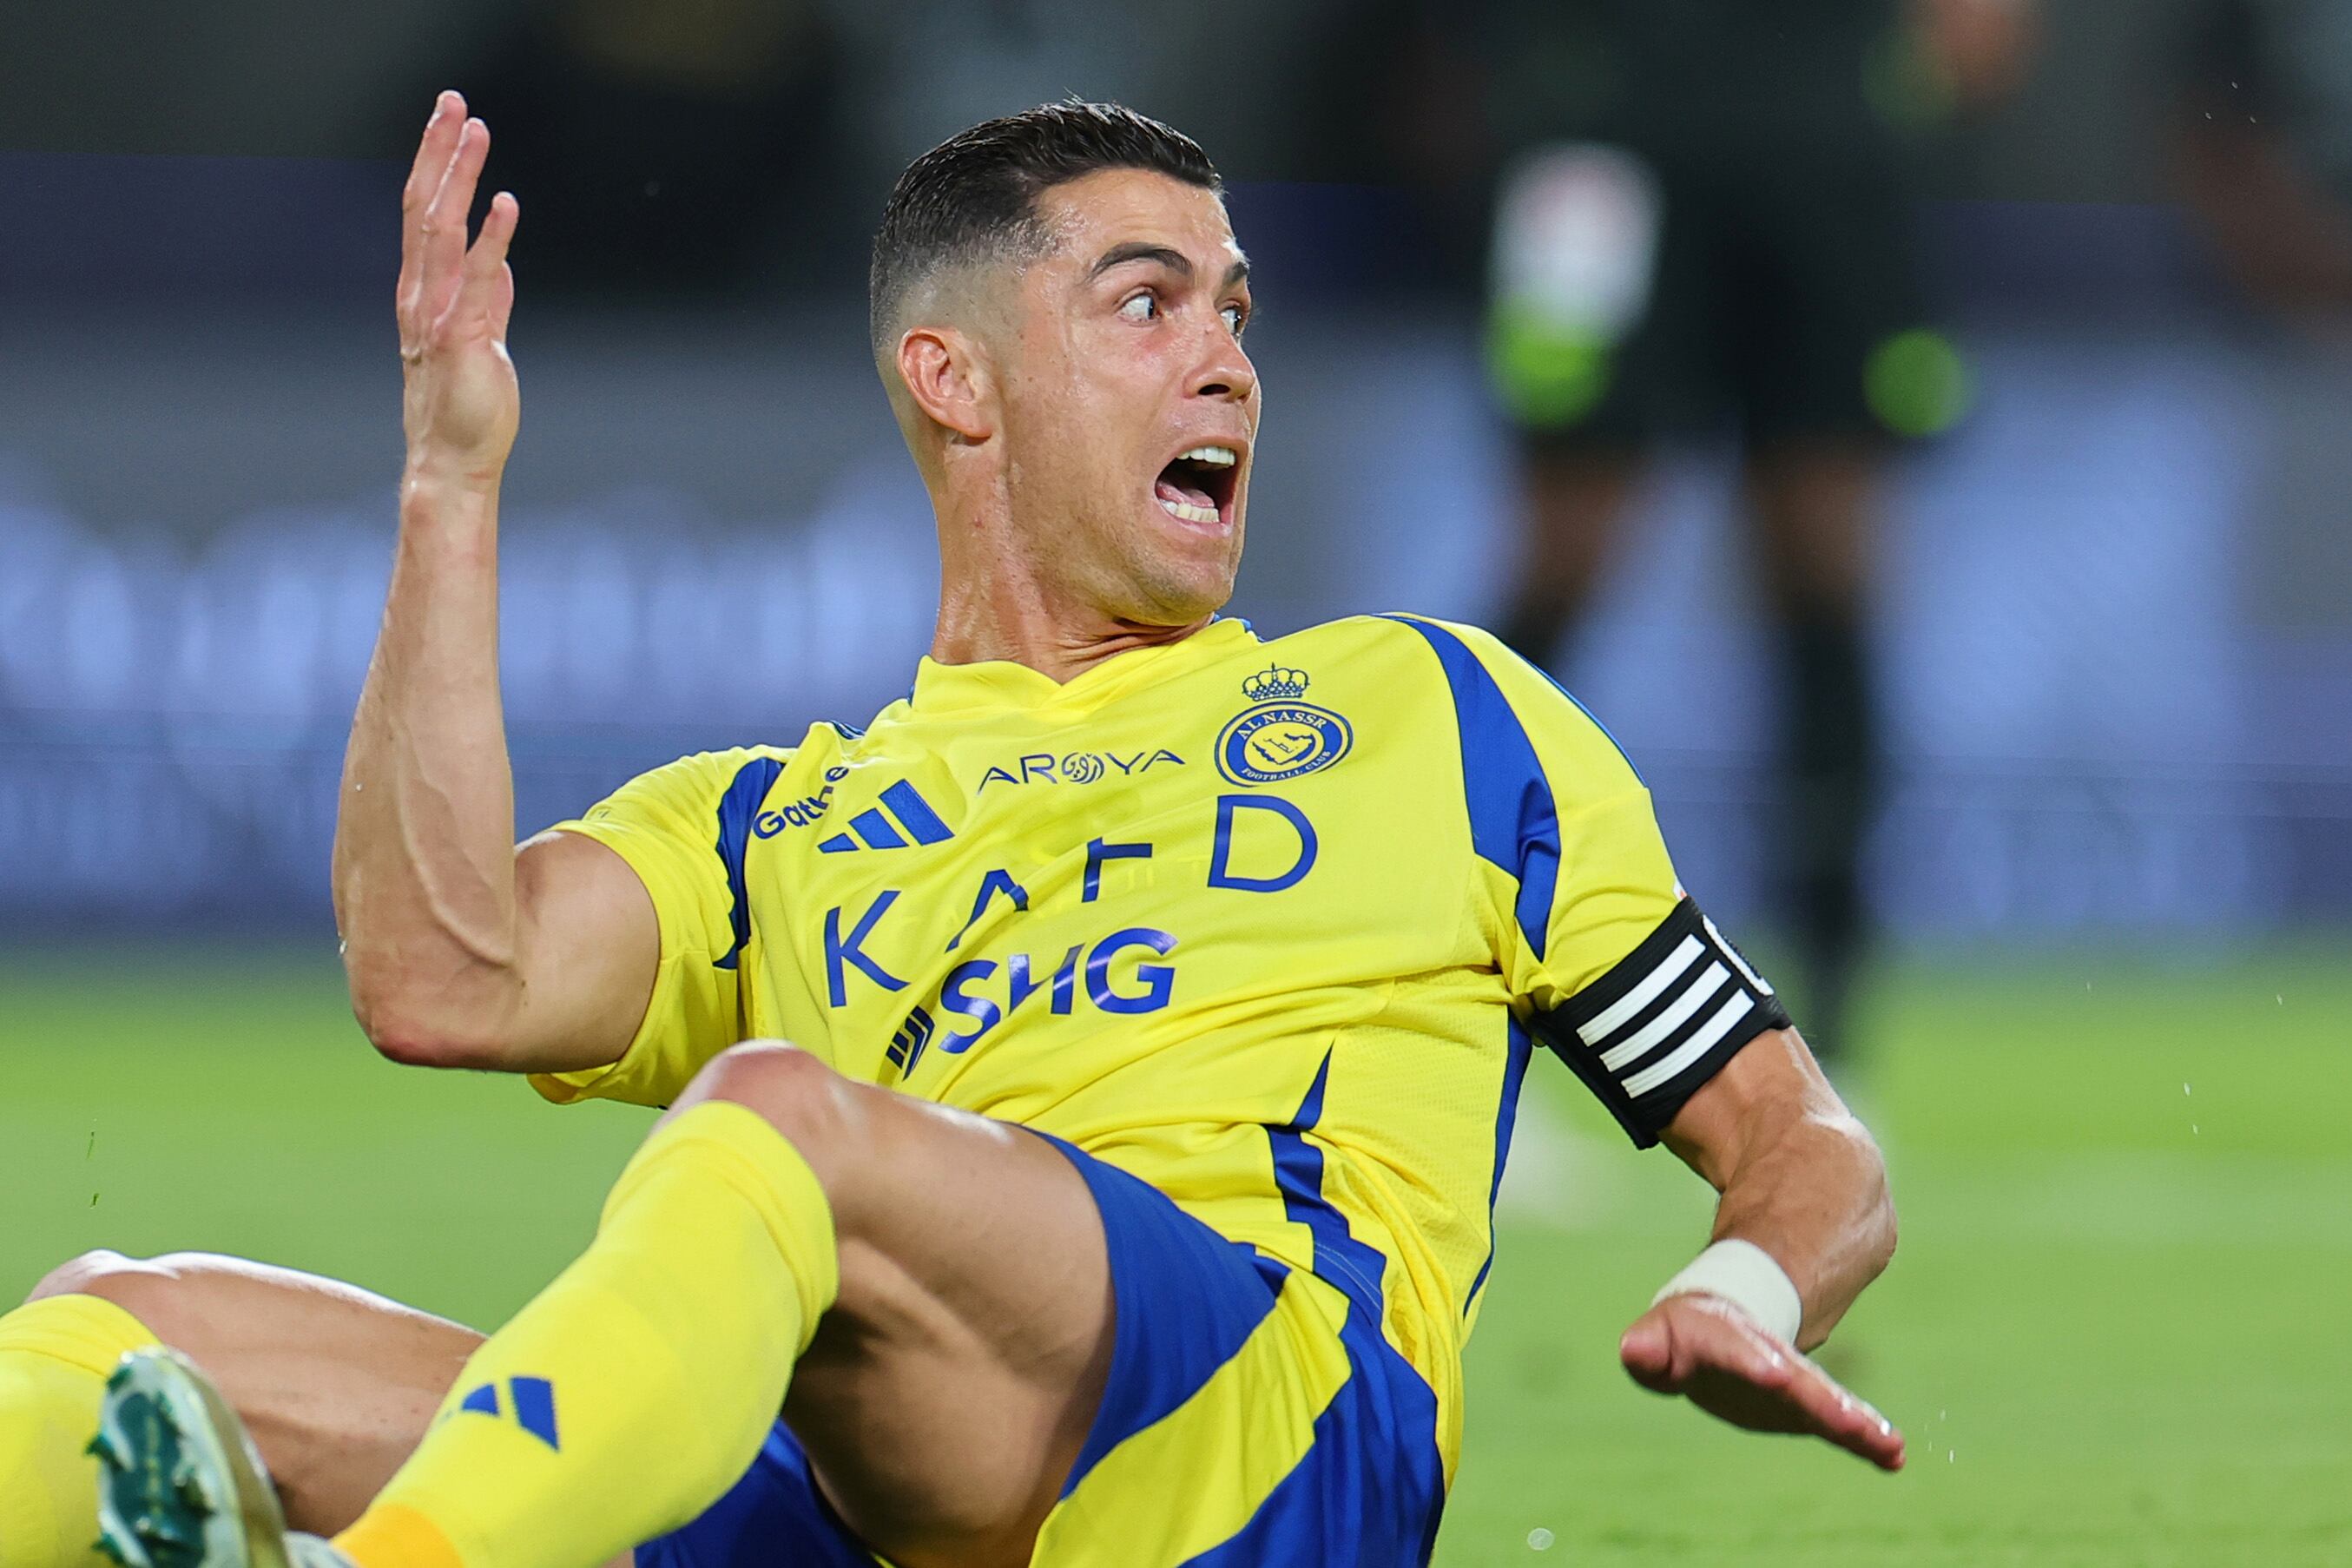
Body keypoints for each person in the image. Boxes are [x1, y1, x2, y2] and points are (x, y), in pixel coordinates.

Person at [0, 96, 1899, 1568]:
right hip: (878, 1496)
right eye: (1145, 303)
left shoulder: (1433, 711)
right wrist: (450, 478)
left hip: (1252, 1447)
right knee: (111, 1338)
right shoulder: (778, 823)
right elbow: (435, 973)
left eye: (1233, 309)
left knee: (777, 1125)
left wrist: (1740, 1285)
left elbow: (1802, 1144)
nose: (1226, 359)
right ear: (952, 379)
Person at [1477, 0, 2032, 1064]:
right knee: (1564, 550)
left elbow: (1980, 37)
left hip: (1820, 141)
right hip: (1602, 131)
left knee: (1828, 559)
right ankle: (1438, 976)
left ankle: (1832, 1022)